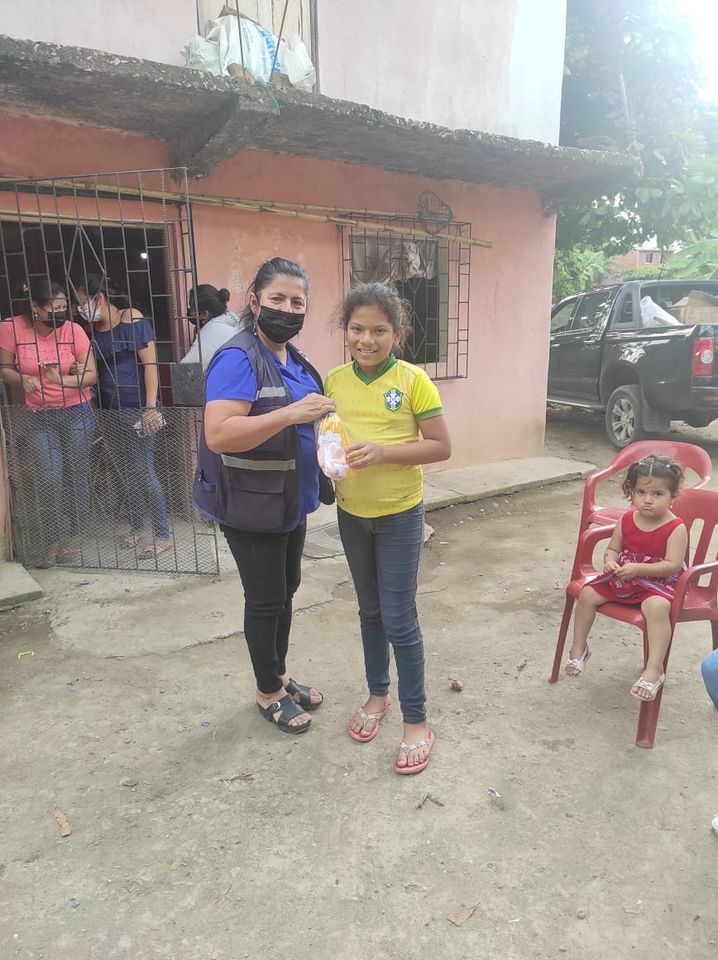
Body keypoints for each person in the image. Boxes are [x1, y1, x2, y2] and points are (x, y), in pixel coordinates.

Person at [193, 257, 335, 735]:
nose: (287, 309)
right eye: (277, 298)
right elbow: (220, 433)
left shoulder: (294, 357)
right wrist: (292, 414)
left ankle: (280, 674)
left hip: (289, 501)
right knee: (265, 598)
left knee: (286, 590)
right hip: (251, 504)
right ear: (254, 301)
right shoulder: (239, 357)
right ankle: (267, 692)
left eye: (297, 302)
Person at [324, 282, 451, 775]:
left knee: (399, 617)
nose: (366, 340)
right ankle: (378, 695)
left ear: (397, 334)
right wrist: (328, 458)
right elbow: (330, 435)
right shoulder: (334, 381)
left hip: (399, 514)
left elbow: (440, 446)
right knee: (370, 612)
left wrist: (385, 453)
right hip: (351, 513)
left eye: (379, 331)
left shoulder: (414, 380)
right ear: (345, 330)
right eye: (357, 329)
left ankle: (416, 720)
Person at [566, 454, 688, 701]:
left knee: (656, 607)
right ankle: (579, 647)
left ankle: (654, 669)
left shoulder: (676, 527)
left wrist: (639, 569)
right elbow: (613, 548)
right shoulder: (626, 519)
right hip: (626, 577)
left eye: (657, 494)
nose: (647, 500)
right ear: (631, 491)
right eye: (641, 492)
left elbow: (672, 566)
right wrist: (610, 561)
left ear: (673, 496)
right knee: (587, 594)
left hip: (658, 582)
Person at [0, 278, 96, 567]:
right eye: (55, 308)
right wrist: (24, 379)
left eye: (64, 307)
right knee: (48, 477)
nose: (62, 313)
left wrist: (62, 379)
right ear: (36, 308)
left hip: (76, 411)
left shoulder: (73, 330)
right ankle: (52, 538)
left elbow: (91, 375)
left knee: (76, 473)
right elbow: (5, 369)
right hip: (39, 415)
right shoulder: (12, 328)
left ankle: (77, 534)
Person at [75, 274, 172, 560]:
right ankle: (138, 527)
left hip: (138, 407)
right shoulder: (91, 331)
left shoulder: (131, 319)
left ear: (100, 298)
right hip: (108, 410)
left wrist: (151, 406)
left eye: (83, 302)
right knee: (125, 471)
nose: (81, 308)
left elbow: (150, 364)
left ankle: (163, 534)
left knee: (143, 470)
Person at [181, 284, 244, 370]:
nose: (189, 312)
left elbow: (186, 370)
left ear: (204, 314)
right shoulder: (230, 318)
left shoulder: (210, 332)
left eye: (192, 308)